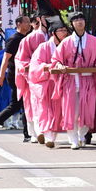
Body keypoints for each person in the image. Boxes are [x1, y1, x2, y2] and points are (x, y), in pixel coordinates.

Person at [51, 11, 96, 150]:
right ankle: (73, 139)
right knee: (71, 111)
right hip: (71, 81)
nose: (79, 22)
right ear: (72, 23)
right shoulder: (66, 42)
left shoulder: (94, 41)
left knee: (87, 110)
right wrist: (59, 65)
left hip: (88, 81)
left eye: (81, 19)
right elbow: (56, 59)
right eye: (76, 20)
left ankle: (82, 135)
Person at [0, 15, 32, 142]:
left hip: (24, 75)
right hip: (15, 75)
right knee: (16, 104)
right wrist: (1, 76)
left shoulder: (26, 38)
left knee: (25, 103)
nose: (29, 24)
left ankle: (27, 134)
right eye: (26, 22)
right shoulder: (14, 39)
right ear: (19, 24)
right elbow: (5, 59)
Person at [15, 0, 56, 143]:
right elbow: (20, 59)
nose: (49, 20)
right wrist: (31, 68)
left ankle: (46, 131)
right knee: (34, 104)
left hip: (51, 77)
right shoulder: (31, 38)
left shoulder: (53, 37)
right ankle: (35, 132)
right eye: (46, 17)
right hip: (34, 77)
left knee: (48, 106)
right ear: (39, 19)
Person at [29, 16, 70, 148]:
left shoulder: (67, 47)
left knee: (57, 113)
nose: (64, 33)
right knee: (45, 111)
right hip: (45, 84)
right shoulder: (43, 47)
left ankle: (49, 135)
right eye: (61, 30)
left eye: (65, 30)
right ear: (53, 33)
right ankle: (47, 136)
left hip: (60, 84)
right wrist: (47, 67)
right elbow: (35, 67)